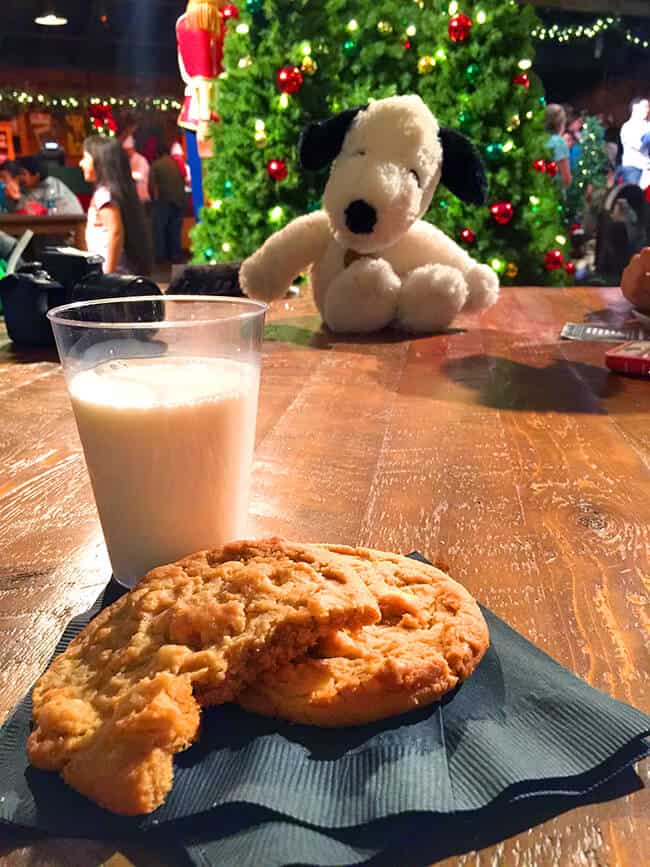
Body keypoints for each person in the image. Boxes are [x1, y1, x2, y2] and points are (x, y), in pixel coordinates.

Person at [80, 135, 153, 275]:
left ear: (99, 161)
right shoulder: (115, 192)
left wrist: (108, 275)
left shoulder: (104, 195)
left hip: (113, 276)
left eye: (85, 158)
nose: (81, 163)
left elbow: (115, 233)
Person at [1, 156, 82, 215]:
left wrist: (18, 199)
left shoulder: (52, 187)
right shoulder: (28, 187)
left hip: (68, 232)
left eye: (4, 178)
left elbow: (43, 214)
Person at [150, 142, 187, 264]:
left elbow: (151, 186)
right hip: (180, 200)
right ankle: (176, 255)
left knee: (159, 229)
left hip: (164, 201)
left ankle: (161, 256)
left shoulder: (156, 165)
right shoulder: (177, 163)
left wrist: (153, 200)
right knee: (175, 229)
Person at [619, 97, 650, 186]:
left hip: (647, 169)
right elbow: (640, 146)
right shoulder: (628, 127)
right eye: (645, 106)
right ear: (635, 108)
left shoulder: (647, 125)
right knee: (635, 197)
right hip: (633, 169)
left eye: (648, 107)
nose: (648, 110)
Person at [544, 104, 571, 190]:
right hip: (552, 194)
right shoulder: (558, 142)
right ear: (561, 123)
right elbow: (566, 179)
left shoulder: (538, 138)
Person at [122, 136, 151, 205]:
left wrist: (125, 175)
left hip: (142, 196)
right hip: (132, 197)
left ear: (132, 149)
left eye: (127, 150)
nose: (126, 153)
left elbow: (139, 175)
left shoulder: (140, 159)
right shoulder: (126, 160)